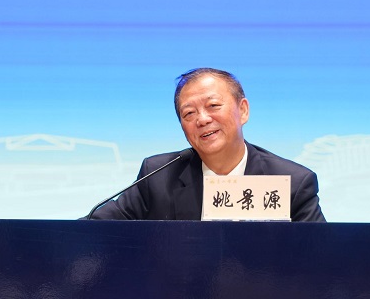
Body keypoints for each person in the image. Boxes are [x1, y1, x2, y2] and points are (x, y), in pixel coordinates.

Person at [90, 68, 325, 221]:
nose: (202, 119)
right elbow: (92, 231)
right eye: (189, 113)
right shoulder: (158, 176)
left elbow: (321, 262)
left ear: (243, 110)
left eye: (213, 106)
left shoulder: (291, 183)